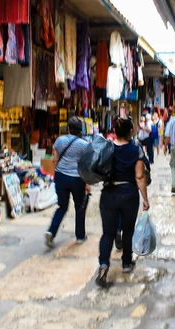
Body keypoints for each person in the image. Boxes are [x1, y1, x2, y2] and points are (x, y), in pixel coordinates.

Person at [96, 117, 150, 288]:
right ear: (131, 132)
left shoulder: (108, 147)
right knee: (128, 231)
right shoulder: (136, 151)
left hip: (109, 194)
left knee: (108, 233)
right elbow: (140, 176)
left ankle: (104, 266)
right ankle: (126, 263)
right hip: (129, 194)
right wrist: (145, 199)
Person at [45, 117, 90, 248]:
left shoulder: (60, 140)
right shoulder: (84, 144)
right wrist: (87, 183)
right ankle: (80, 236)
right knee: (79, 208)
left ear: (68, 128)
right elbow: (86, 165)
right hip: (77, 178)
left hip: (61, 177)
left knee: (62, 206)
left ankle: (51, 231)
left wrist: (56, 174)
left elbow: (55, 159)